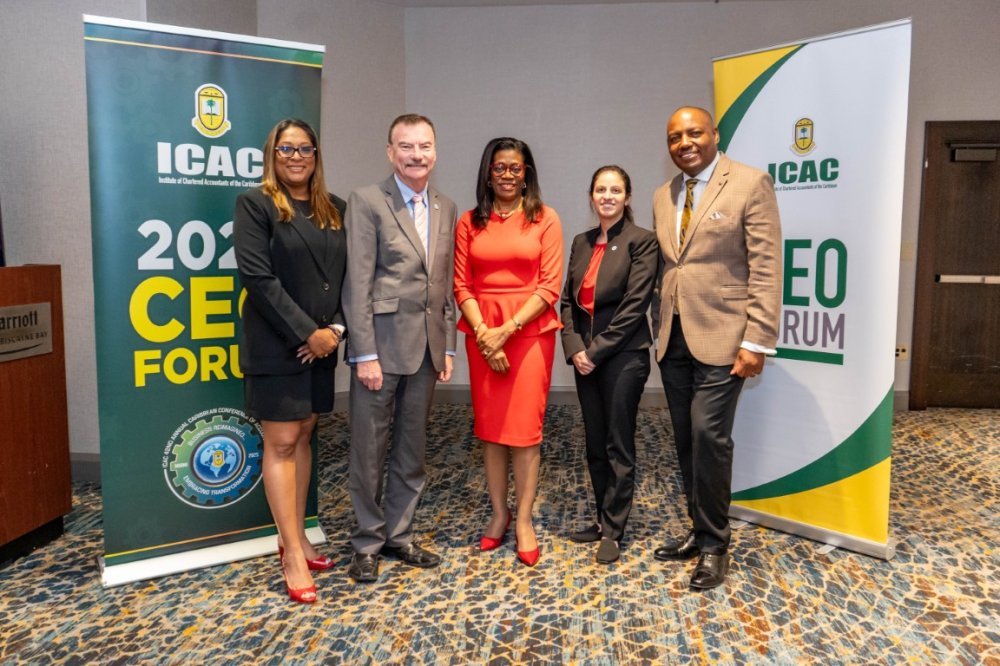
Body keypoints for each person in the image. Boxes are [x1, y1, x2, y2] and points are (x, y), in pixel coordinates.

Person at [652, 106, 782, 589]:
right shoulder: (664, 195)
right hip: (674, 336)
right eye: (674, 137)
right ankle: (698, 527)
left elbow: (766, 266)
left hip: (726, 337)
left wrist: (757, 339)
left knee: (710, 436)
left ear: (715, 135)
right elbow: (674, 267)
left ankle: (714, 545)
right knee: (686, 438)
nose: (684, 143)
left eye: (694, 133)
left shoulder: (750, 183)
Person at [233, 118, 347, 604]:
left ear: (316, 155)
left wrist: (334, 332)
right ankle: (293, 556)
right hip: (278, 344)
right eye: (286, 149)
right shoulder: (255, 205)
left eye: (304, 149)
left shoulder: (335, 209)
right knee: (281, 441)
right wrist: (308, 333)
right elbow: (258, 279)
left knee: (304, 433)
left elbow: (349, 278)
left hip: (323, 346)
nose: (296, 157)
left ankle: (296, 536)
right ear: (272, 155)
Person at [342, 114, 458, 583]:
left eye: (424, 146)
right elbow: (357, 283)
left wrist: (448, 347)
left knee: (413, 450)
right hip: (381, 349)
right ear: (390, 152)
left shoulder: (446, 206)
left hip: (427, 349)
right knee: (369, 452)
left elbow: (443, 284)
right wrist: (364, 354)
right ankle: (367, 541)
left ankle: (399, 535)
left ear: (435, 151)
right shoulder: (368, 201)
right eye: (406, 146)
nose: (416, 155)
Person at [453, 137, 563, 567]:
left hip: (529, 333)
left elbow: (549, 286)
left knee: (524, 432)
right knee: (491, 430)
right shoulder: (469, 221)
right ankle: (499, 513)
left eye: (515, 168)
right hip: (482, 329)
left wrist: (507, 331)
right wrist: (486, 334)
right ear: (487, 173)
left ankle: (525, 520)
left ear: (526, 173)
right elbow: (461, 284)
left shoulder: (545, 218)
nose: (507, 175)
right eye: (499, 167)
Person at [561, 165, 658, 565]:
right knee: (594, 442)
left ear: (627, 197)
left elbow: (635, 306)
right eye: (601, 189)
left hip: (623, 357)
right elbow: (567, 301)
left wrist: (594, 351)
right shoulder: (581, 242)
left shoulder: (642, 241)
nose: (607, 196)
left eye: (615, 190)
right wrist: (574, 348)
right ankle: (603, 519)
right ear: (591, 195)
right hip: (585, 358)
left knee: (618, 444)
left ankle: (615, 531)